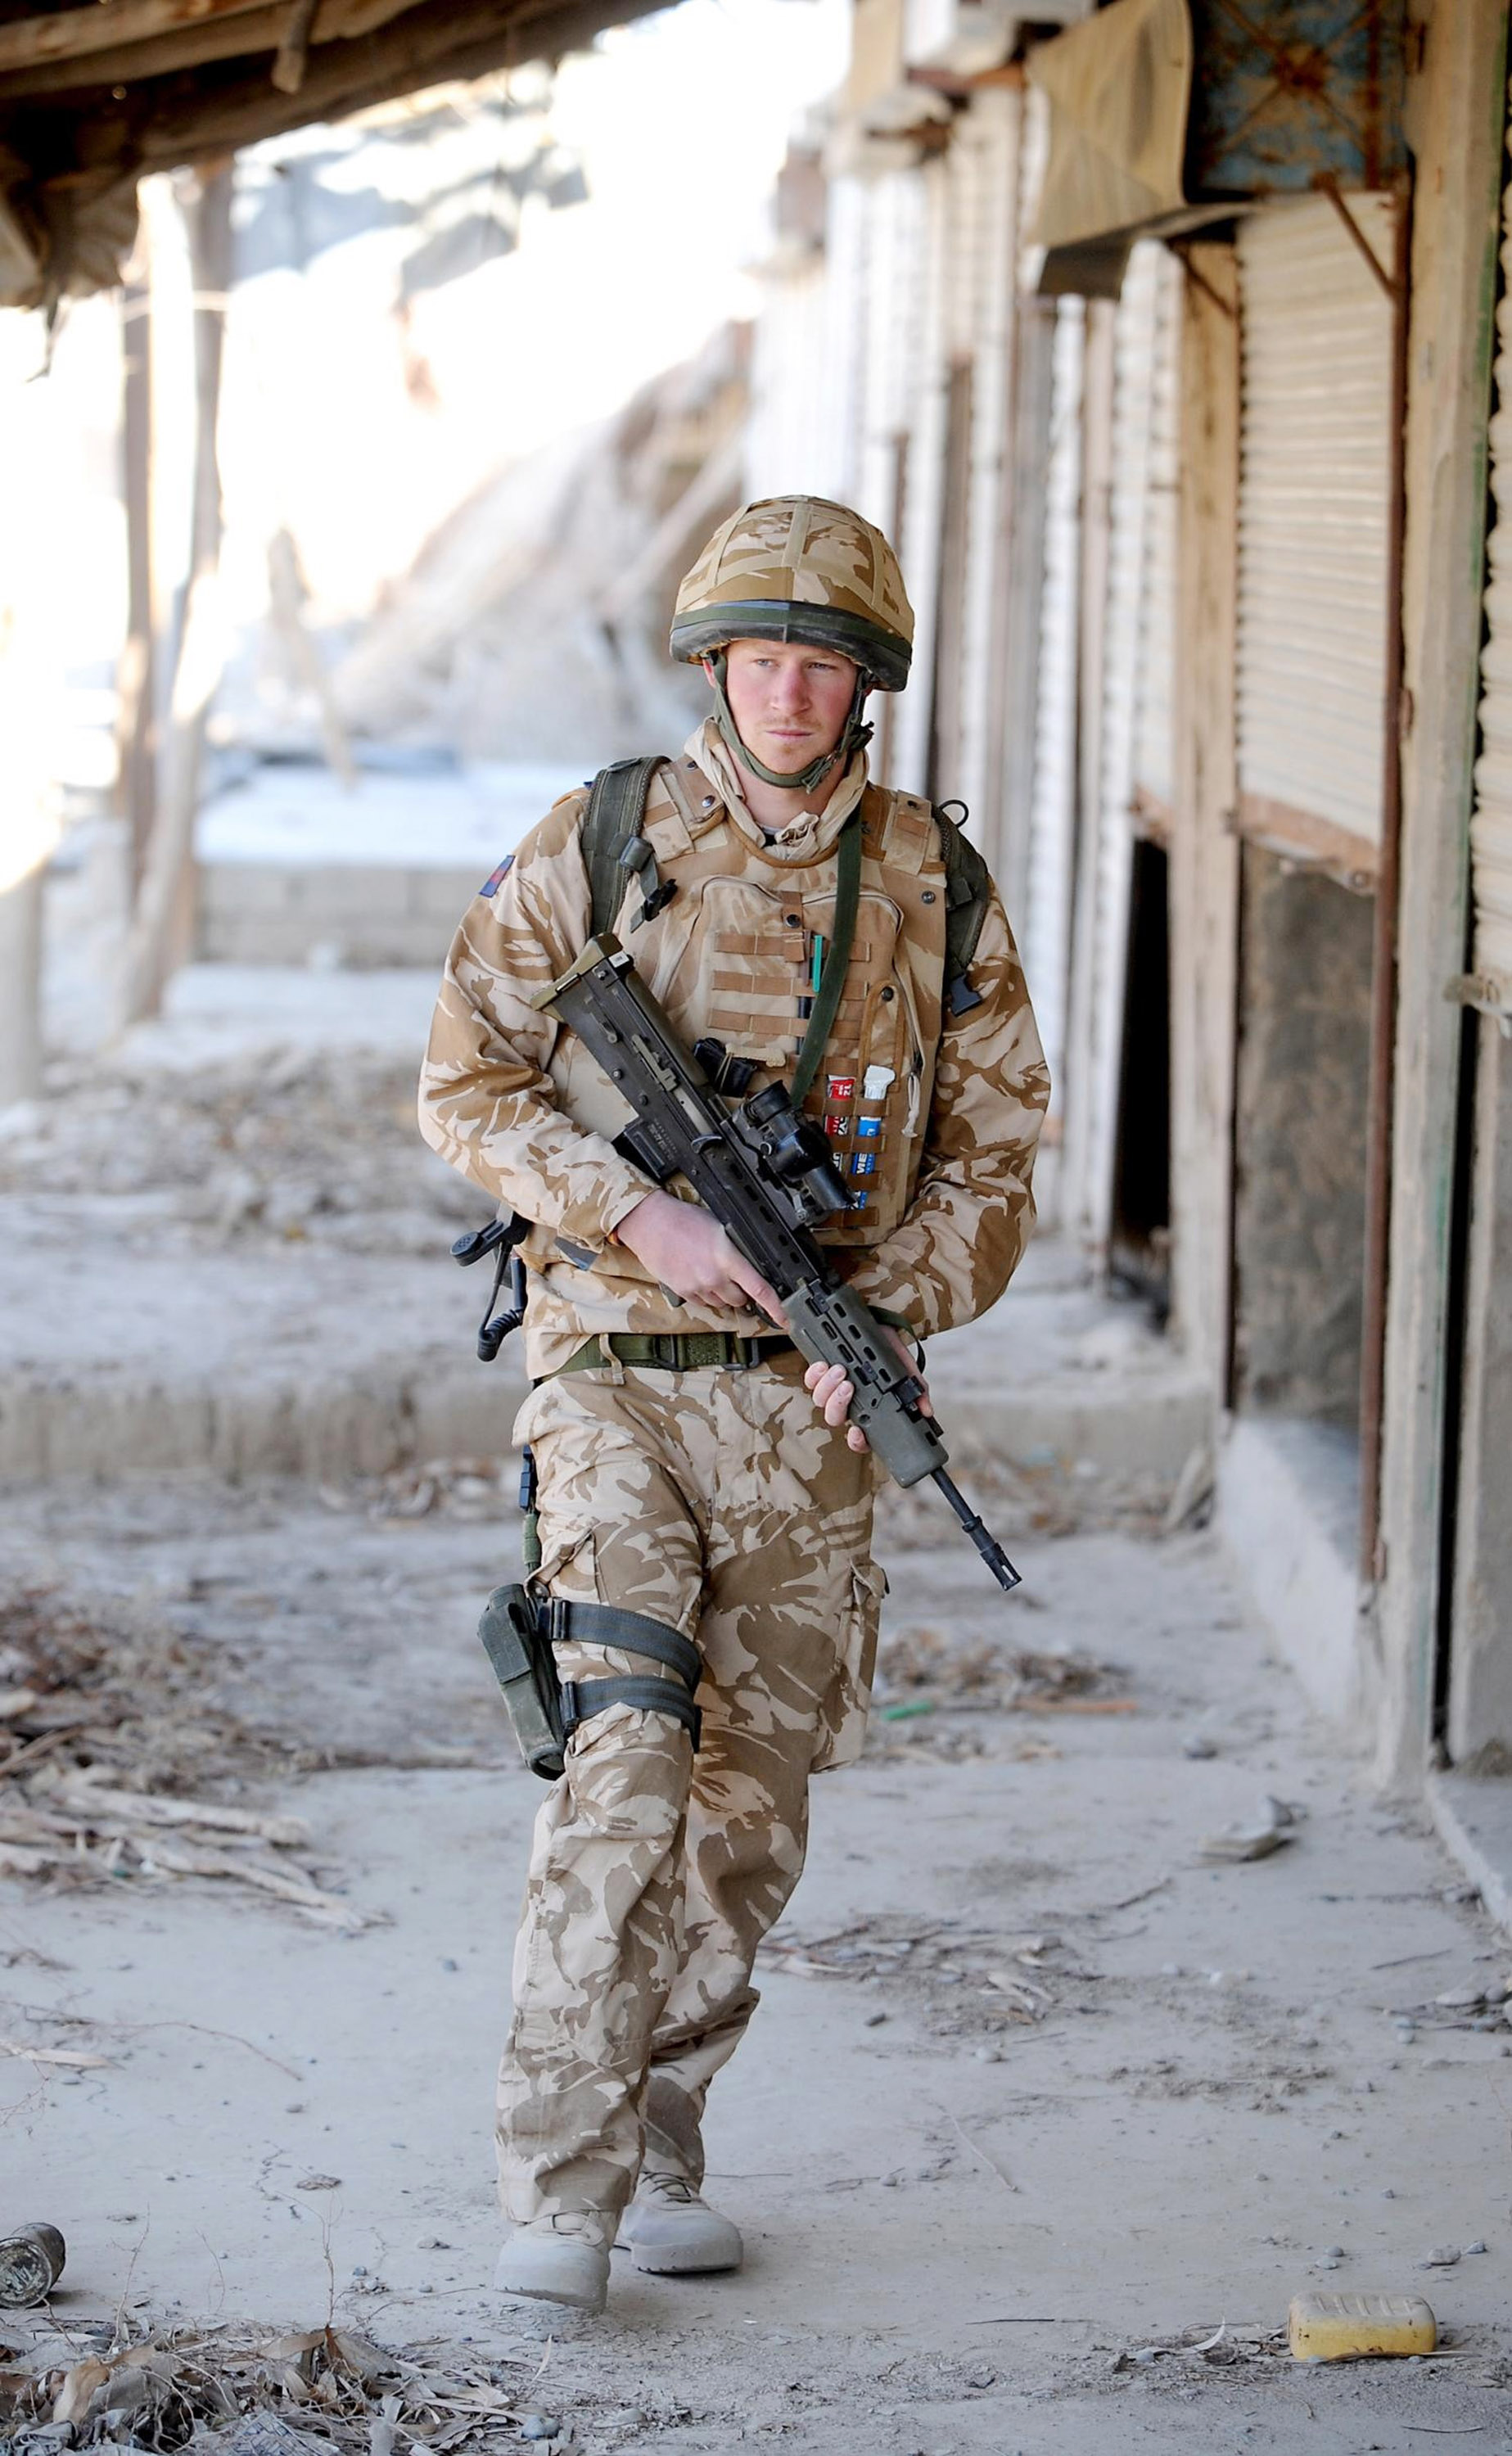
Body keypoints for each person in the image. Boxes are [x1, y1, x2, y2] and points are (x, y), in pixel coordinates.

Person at [417, 494, 1049, 2316]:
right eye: (760, 659)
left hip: (808, 1406)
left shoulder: (934, 885)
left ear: (867, 684)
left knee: (749, 1807)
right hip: (610, 1375)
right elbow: (465, 1081)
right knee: (624, 1755)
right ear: (714, 667)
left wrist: (892, 1313)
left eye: (820, 665)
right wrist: (641, 1216)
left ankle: (664, 2133)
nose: (787, 693)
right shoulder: (605, 837)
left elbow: (998, 1155)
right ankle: (560, 2184)